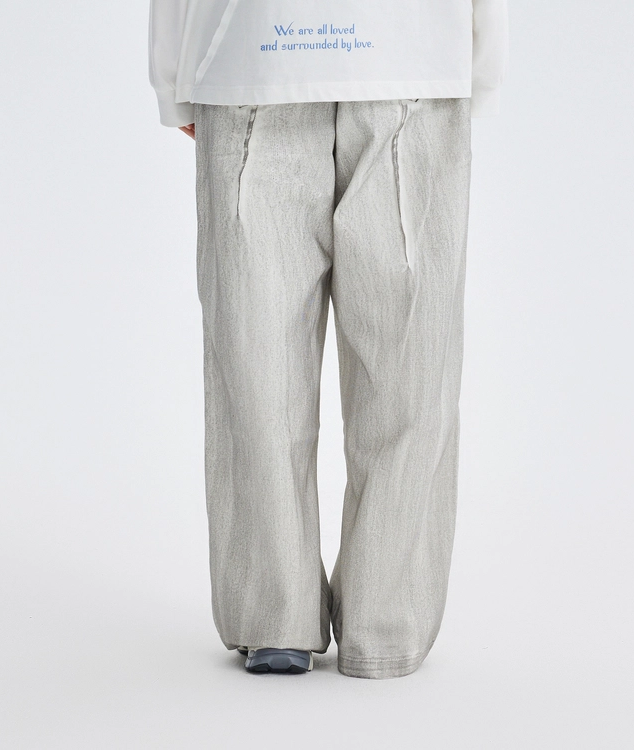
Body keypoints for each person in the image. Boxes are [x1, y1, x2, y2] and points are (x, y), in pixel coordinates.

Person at [148, 0, 508, 678]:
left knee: (256, 355)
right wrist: (480, 61)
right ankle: (386, 622)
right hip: (411, 54)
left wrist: (175, 76)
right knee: (409, 363)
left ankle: (273, 614)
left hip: (252, 53)